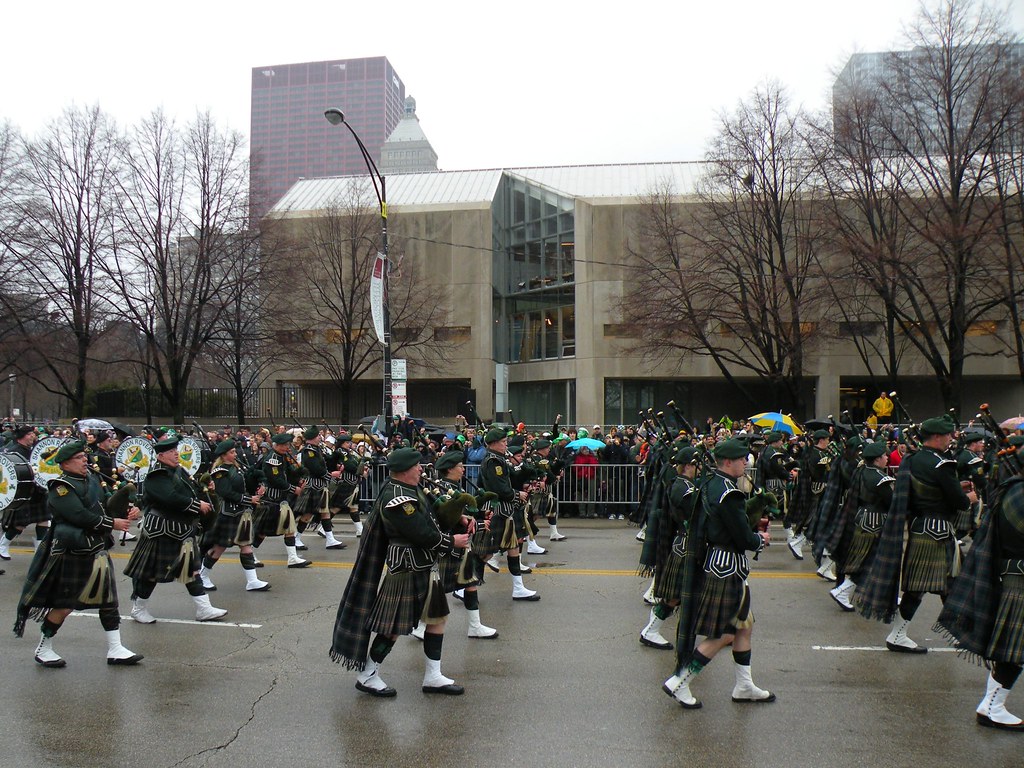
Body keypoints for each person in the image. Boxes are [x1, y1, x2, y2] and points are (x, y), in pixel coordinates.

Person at [329, 447, 471, 697]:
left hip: (425, 565)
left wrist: (459, 516)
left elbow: (431, 513)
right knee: (392, 627)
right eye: (417, 466)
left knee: (437, 619)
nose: (421, 469)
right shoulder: (397, 498)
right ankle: (367, 674)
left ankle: (433, 676)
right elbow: (421, 533)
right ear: (406, 469)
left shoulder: (410, 488)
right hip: (407, 568)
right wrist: (452, 542)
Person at [663, 437, 774, 709]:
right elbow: (741, 536)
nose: (745, 464)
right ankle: (680, 681)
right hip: (727, 567)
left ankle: (744, 684)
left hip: (717, 561)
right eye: (741, 460)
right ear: (728, 462)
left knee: (744, 627)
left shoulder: (711, 483)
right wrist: (760, 538)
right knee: (725, 632)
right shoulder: (730, 492)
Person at [13, 440, 143, 667]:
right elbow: (79, 516)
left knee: (108, 601)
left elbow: (104, 506)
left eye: (85, 457)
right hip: (73, 551)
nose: (85, 461)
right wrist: (112, 523)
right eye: (79, 458)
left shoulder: (92, 480)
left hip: (97, 548)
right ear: (64, 463)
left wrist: (129, 507)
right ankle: (44, 647)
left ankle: (115, 649)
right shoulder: (60, 487)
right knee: (65, 604)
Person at [856, 414, 976, 653]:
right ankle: (905, 635)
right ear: (936, 437)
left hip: (920, 527)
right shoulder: (942, 464)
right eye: (948, 435)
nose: (951, 439)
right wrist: (969, 498)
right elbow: (958, 502)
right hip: (938, 532)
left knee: (933, 587)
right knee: (941, 585)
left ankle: (943, 633)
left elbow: (925, 492)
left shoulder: (914, 459)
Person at [935, 465, 1024, 730]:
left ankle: (992, 705)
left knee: (1015, 649)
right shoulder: (1018, 493)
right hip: (1018, 578)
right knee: (1014, 651)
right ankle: (993, 706)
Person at [123, 434, 228, 623]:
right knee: (151, 574)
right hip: (161, 531)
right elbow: (170, 498)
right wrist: (197, 505)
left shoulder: (179, 471)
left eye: (176, 451)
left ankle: (203, 609)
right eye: (171, 452)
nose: (176, 454)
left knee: (191, 570)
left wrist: (206, 489)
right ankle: (138, 609)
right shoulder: (158, 476)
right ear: (161, 456)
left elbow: (192, 490)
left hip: (182, 530)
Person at [197, 439, 270, 593]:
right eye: (232, 452)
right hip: (228, 513)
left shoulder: (236, 469)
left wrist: (260, 485)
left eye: (234, 451)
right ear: (223, 456)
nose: (235, 454)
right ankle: (202, 576)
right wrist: (249, 499)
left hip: (241, 513)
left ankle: (252, 580)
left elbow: (246, 484)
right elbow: (226, 493)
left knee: (246, 545)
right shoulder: (220, 472)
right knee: (219, 547)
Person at [828, 440, 893, 611]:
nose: (887, 458)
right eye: (885, 455)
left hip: (861, 518)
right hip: (874, 522)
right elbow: (891, 501)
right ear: (878, 459)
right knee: (869, 563)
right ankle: (842, 590)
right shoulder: (880, 478)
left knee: (869, 562)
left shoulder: (862, 472)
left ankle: (886, 595)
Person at [478, 427, 540, 600]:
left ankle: (518, 588)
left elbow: (511, 478)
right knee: (486, 552)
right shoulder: (493, 462)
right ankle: (463, 586)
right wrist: (516, 494)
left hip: (505, 509)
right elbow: (499, 488)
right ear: (494, 444)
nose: (506, 445)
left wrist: (525, 481)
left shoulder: (499, 459)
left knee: (513, 547)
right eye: (504, 442)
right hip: (498, 509)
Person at [251, 432, 311, 568]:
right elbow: (275, 480)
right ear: (277, 445)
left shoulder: (282, 457)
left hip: (281, 500)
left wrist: (300, 474)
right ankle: (250, 554)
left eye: (288, 445)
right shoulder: (272, 458)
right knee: (262, 531)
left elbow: (289, 473)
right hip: (271, 499)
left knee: (289, 527)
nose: (287, 447)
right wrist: (293, 489)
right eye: (284, 445)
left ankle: (292, 557)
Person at [0, 425, 50, 560]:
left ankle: (40, 551)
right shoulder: (13, 452)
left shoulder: (34, 451)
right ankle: (3, 545)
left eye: (33, 434)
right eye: (29, 434)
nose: (33, 437)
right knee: (20, 525)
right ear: (22, 436)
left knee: (43, 520)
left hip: (37, 491)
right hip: (23, 492)